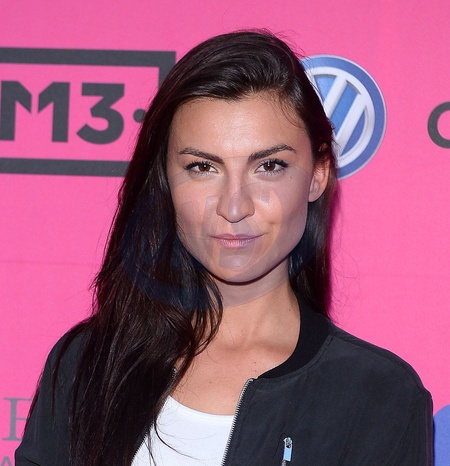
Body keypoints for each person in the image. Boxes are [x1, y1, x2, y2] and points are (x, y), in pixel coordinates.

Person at [16, 30, 433, 466]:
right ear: (165, 180)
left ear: (317, 174)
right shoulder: (88, 365)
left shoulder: (378, 396)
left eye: (269, 166)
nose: (234, 207)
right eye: (202, 167)